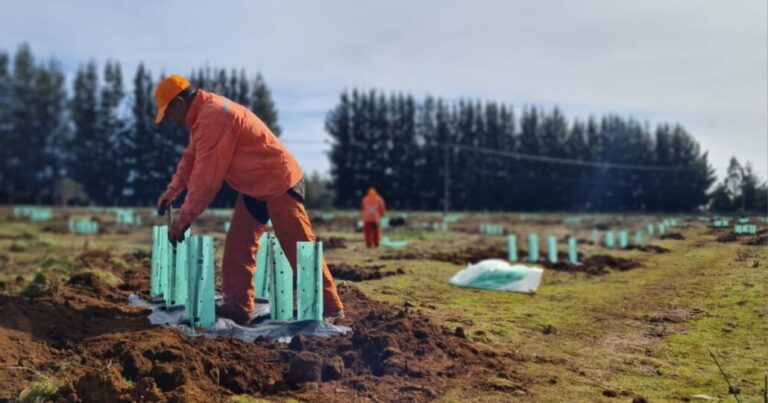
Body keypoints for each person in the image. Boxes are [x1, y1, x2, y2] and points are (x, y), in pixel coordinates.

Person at [153, 74, 344, 324]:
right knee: (238, 246)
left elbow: (206, 179)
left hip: (278, 181)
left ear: (178, 103)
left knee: (299, 247)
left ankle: (331, 309)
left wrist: (183, 219)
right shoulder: (202, 117)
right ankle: (238, 306)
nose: (169, 120)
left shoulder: (213, 117)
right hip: (255, 186)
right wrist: (172, 190)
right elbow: (191, 159)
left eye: (168, 113)